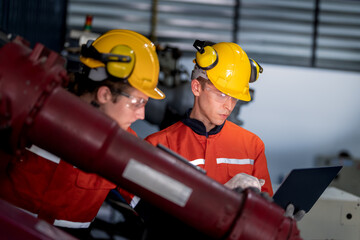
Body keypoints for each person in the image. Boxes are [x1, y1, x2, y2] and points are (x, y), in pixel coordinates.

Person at [0, 29, 165, 239]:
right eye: (138, 102)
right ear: (104, 93)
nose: (142, 114)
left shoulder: (125, 147)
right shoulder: (34, 109)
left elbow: (155, 204)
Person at [145, 40, 273, 196]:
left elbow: (265, 206)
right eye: (222, 95)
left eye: (235, 98)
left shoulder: (252, 146)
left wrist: (281, 216)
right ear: (196, 87)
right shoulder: (157, 146)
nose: (229, 106)